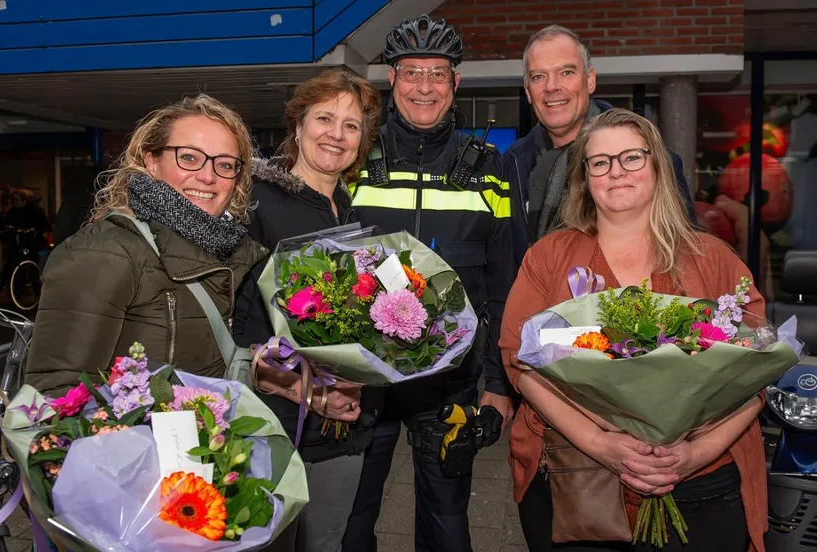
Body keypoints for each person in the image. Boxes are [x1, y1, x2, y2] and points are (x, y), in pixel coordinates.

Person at [499, 108, 767, 552]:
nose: (616, 172)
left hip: (702, 481)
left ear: (657, 166)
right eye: (600, 162)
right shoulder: (548, 258)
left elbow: (754, 375)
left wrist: (692, 455)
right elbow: (520, 361)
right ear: (584, 178)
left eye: (632, 157)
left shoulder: (714, 260)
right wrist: (600, 442)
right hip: (580, 480)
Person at [342, 14, 516, 552]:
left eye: (437, 74)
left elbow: (507, 281)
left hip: (451, 378)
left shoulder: (490, 168)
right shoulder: (352, 161)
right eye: (411, 72)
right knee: (349, 523)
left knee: (448, 529)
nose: (424, 86)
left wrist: (500, 385)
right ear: (391, 79)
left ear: (455, 83)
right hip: (361, 378)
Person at [232, 68, 383, 552]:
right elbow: (232, 322)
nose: (336, 134)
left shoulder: (348, 210)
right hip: (275, 421)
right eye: (324, 118)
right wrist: (306, 390)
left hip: (343, 426)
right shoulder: (255, 203)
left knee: (326, 542)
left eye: (352, 125)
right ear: (297, 126)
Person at [26, 94, 266, 396]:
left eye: (225, 164)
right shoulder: (106, 252)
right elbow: (58, 394)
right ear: (151, 161)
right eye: (189, 157)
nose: (208, 176)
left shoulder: (232, 252)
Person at [504, 25, 697, 265]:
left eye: (566, 72)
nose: (551, 86)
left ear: (590, 80)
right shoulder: (511, 162)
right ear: (528, 91)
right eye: (538, 76)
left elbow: (684, 252)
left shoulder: (645, 159)